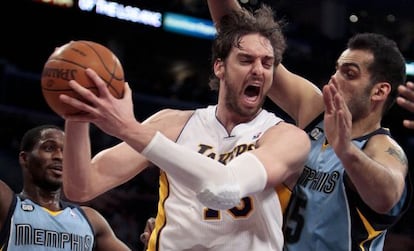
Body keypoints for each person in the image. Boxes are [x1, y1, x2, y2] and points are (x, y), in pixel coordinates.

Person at [60, 4, 310, 251]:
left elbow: (225, 188)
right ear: (219, 66)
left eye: (267, 63)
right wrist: (77, 112)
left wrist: (129, 129)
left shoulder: (287, 137)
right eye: (246, 60)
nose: (258, 70)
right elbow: (81, 186)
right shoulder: (173, 124)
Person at [207, 1, 412, 251]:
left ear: (379, 91)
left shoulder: (381, 147)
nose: (334, 79)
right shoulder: (315, 111)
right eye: (336, 70)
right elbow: (238, 32)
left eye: (349, 73)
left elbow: (387, 197)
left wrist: (346, 150)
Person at [0, 125, 131, 251]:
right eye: (49, 148)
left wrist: (151, 242)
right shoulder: (7, 203)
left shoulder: (91, 219)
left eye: (66, 151)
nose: (60, 156)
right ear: (24, 158)